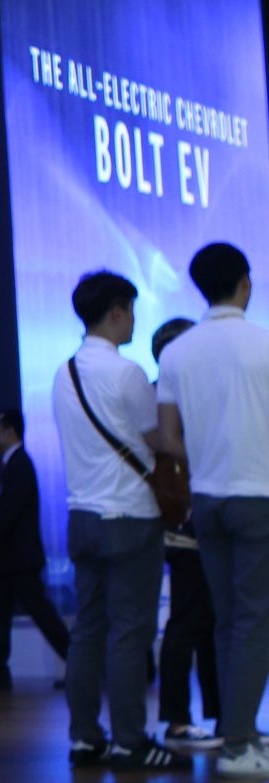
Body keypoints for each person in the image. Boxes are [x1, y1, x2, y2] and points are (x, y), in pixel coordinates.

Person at [48, 270, 185, 768]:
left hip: (82, 517)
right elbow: (159, 440)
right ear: (115, 312)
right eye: (130, 311)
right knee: (130, 632)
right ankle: (131, 741)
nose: (133, 321)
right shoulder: (127, 373)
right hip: (130, 517)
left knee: (88, 629)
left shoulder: (64, 372)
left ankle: (85, 738)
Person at [156, 242, 269, 778]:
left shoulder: (177, 352)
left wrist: (207, 458)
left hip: (207, 498)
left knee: (228, 621)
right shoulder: (262, 342)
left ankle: (235, 728)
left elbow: (169, 438)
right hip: (258, 496)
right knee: (253, 623)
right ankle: (239, 745)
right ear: (245, 283)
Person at [149, 316, 219, 746]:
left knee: (205, 619)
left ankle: (219, 716)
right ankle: (178, 719)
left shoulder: (161, 394)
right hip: (185, 522)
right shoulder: (171, 399)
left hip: (190, 520)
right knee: (190, 620)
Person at [0, 407, 73, 696]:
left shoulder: (21, 465)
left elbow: (8, 511)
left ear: (10, 431)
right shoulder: (8, 465)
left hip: (20, 556)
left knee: (40, 612)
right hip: (7, 557)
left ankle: (77, 664)